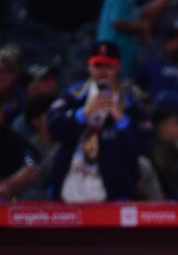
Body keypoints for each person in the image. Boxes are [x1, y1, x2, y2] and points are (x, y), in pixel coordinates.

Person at [46, 42, 152, 202]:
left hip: (113, 193)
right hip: (68, 189)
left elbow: (143, 144)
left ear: (118, 67)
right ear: (89, 66)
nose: (103, 71)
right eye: (97, 65)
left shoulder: (131, 102)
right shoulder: (74, 95)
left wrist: (120, 118)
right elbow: (53, 126)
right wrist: (83, 113)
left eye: (108, 66)